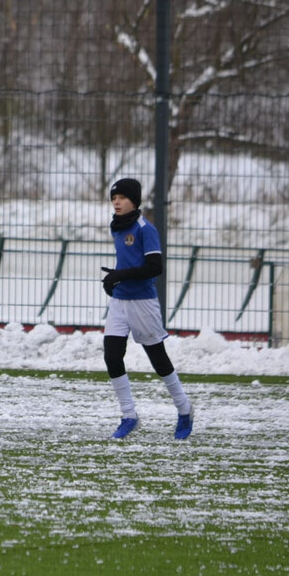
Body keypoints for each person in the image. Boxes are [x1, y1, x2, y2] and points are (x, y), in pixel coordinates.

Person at [100, 178, 194, 440]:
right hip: (120, 302)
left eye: (122, 198)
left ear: (134, 201)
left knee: (158, 359)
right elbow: (127, 265)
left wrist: (122, 274)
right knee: (112, 355)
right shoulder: (117, 227)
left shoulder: (145, 229)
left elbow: (155, 267)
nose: (116, 202)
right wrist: (115, 279)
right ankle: (129, 415)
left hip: (143, 302)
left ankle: (184, 409)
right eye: (113, 198)